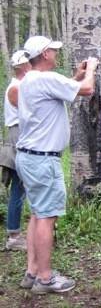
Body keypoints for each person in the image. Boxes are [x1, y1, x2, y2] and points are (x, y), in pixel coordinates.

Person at [16, 35, 96, 294]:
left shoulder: (29, 79)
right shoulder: (46, 79)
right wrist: (91, 70)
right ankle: (46, 278)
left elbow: (62, 88)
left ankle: (32, 272)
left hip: (29, 157)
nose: (56, 53)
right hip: (43, 160)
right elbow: (87, 90)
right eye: (53, 50)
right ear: (45, 54)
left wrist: (74, 76)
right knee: (46, 218)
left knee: (37, 214)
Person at [0, 51, 31, 251]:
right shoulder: (16, 88)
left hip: (20, 136)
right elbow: (31, 111)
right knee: (18, 188)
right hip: (17, 138)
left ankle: (15, 232)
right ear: (23, 66)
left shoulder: (20, 86)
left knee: (21, 188)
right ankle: (13, 235)